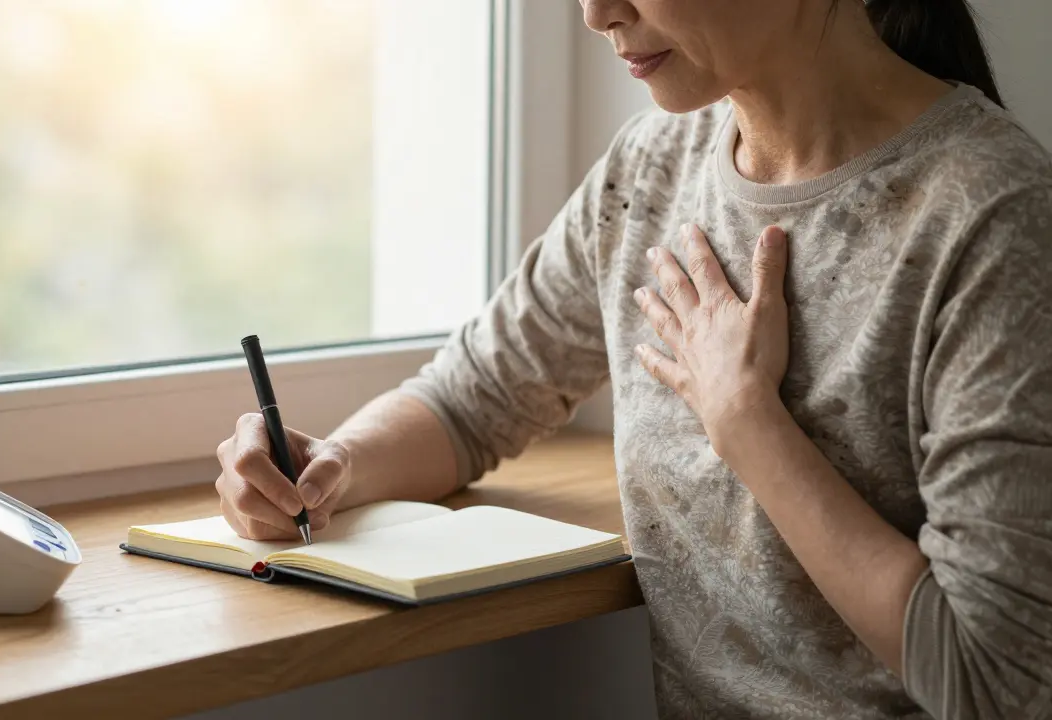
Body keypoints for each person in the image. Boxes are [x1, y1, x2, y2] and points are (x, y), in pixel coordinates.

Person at [214, 0, 1052, 717]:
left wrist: (747, 423)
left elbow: (992, 682)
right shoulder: (651, 171)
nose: (594, 11)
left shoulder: (996, 222)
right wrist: (327, 470)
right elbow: (471, 400)